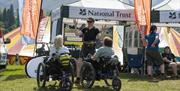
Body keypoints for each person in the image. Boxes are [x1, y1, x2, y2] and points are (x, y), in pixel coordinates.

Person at [75, 17, 100, 84]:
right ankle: (78, 78)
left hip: (92, 47)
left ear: (93, 22)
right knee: (79, 62)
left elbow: (99, 37)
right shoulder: (84, 29)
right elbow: (77, 34)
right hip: (84, 47)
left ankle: (90, 77)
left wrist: (103, 31)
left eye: (90, 22)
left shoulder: (96, 29)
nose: (89, 23)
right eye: (88, 21)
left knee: (92, 62)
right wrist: (75, 26)